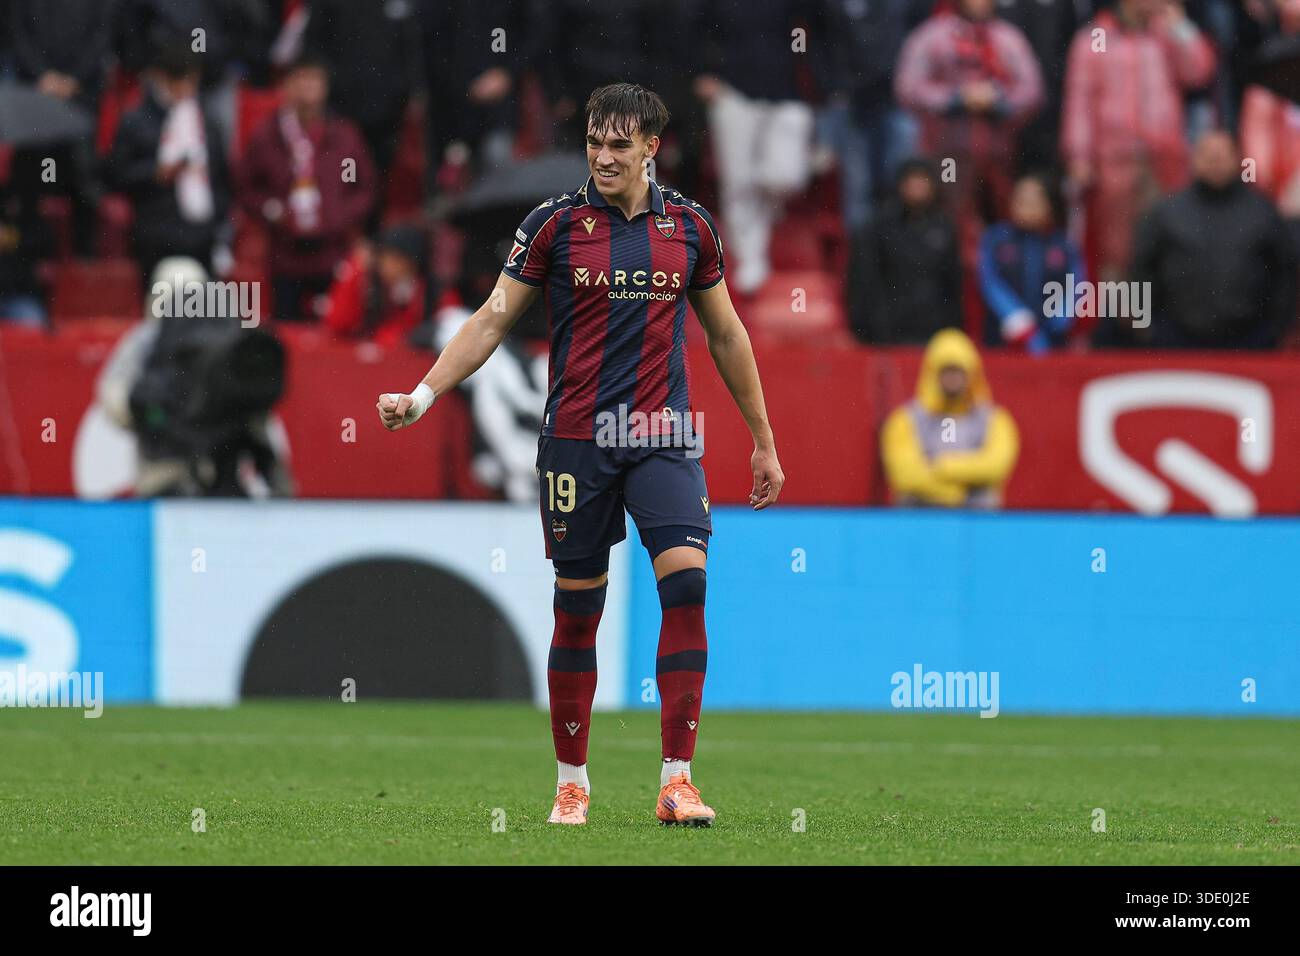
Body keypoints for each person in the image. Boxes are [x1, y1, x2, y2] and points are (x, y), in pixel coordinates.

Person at [376, 83, 785, 827]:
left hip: (661, 434)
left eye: (619, 145)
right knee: (578, 612)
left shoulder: (691, 227)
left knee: (688, 588)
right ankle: (572, 781)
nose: (603, 156)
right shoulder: (554, 225)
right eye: (595, 141)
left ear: (652, 148)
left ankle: (677, 781)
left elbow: (727, 335)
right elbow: (493, 319)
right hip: (576, 441)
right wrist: (424, 392)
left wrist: (762, 439)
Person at [1061, 0, 1216, 282]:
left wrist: (1180, 27)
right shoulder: (1094, 39)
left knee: (1170, 240)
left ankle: (1163, 318)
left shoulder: (1166, 36)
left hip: (1166, 159)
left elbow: (1199, 72)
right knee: (1117, 248)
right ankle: (1121, 321)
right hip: (1114, 160)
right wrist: (1079, 157)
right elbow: (1079, 102)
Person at [894, 0, 1044, 259]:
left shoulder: (1008, 39)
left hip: (999, 156)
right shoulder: (933, 36)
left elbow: (1032, 90)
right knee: (949, 225)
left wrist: (998, 101)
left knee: (1003, 225)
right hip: (948, 154)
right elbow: (908, 87)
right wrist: (955, 98)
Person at [236, 53, 375, 322]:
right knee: (288, 333)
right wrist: (271, 210)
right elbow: (246, 189)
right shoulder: (266, 136)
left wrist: (339, 215)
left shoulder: (345, 136)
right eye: (301, 79)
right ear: (286, 86)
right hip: (285, 255)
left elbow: (365, 188)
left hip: (333, 252)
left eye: (314, 80)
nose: (307, 87)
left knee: (335, 333)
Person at [1131, 130, 1299, 349]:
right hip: (1177, 343)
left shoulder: (1263, 212)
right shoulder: (1166, 212)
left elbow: (1286, 271)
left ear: (1237, 159)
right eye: (1207, 155)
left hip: (1250, 344)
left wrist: (1277, 328)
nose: (1215, 162)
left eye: (1221, 155)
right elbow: (1142, 268)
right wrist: (1149, 326)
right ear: (1194, 159)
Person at [105, 45, 230, 286]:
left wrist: (216, 220)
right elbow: (113, 175)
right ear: (161, 78)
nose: (186, 90)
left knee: (202, 316)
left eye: (191, 82)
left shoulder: (207, 122)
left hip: (202, 237)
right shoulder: (136, 122)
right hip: (155, 235)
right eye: (179, 81)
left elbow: (223, 178)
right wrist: (154, 172)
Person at [881, 328, 1019, 508]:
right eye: (946, 371)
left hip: (977, 526)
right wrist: (952, 494)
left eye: (958, 371)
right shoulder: (905, 420)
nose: (952, 378)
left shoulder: (996, 420)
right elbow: (904, 473)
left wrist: (944, 467)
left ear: (971, 374)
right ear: (932, 373)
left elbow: (995, 466)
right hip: (920, 521)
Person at [847, 158, 962, 344]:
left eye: (922, 181)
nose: (917, 187)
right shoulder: (878, 228)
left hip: (934, 330)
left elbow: (952, 283)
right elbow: (864, 280)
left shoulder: (945, 228)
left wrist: (952, 329)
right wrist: (870, 329)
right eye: (911, 181)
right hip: (888, 332)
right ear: (900, 185)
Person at [978, 171, 1088, 351]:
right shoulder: (996, 239)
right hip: (1004, 335)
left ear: (1049, 205)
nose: (1025, 207)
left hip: (1052, 338)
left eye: (1034, 201)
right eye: (1020, 200)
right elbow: (989, 281)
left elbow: (1076, 285)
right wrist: (1015, 317)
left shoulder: (1064, 245)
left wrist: (1060, 318)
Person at [323, 226, 427, 348]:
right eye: (386, 258)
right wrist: (355, 273)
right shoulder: (366, 279)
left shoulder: (426, 290)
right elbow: (337, 322)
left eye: (397, 260)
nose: (389, 266)